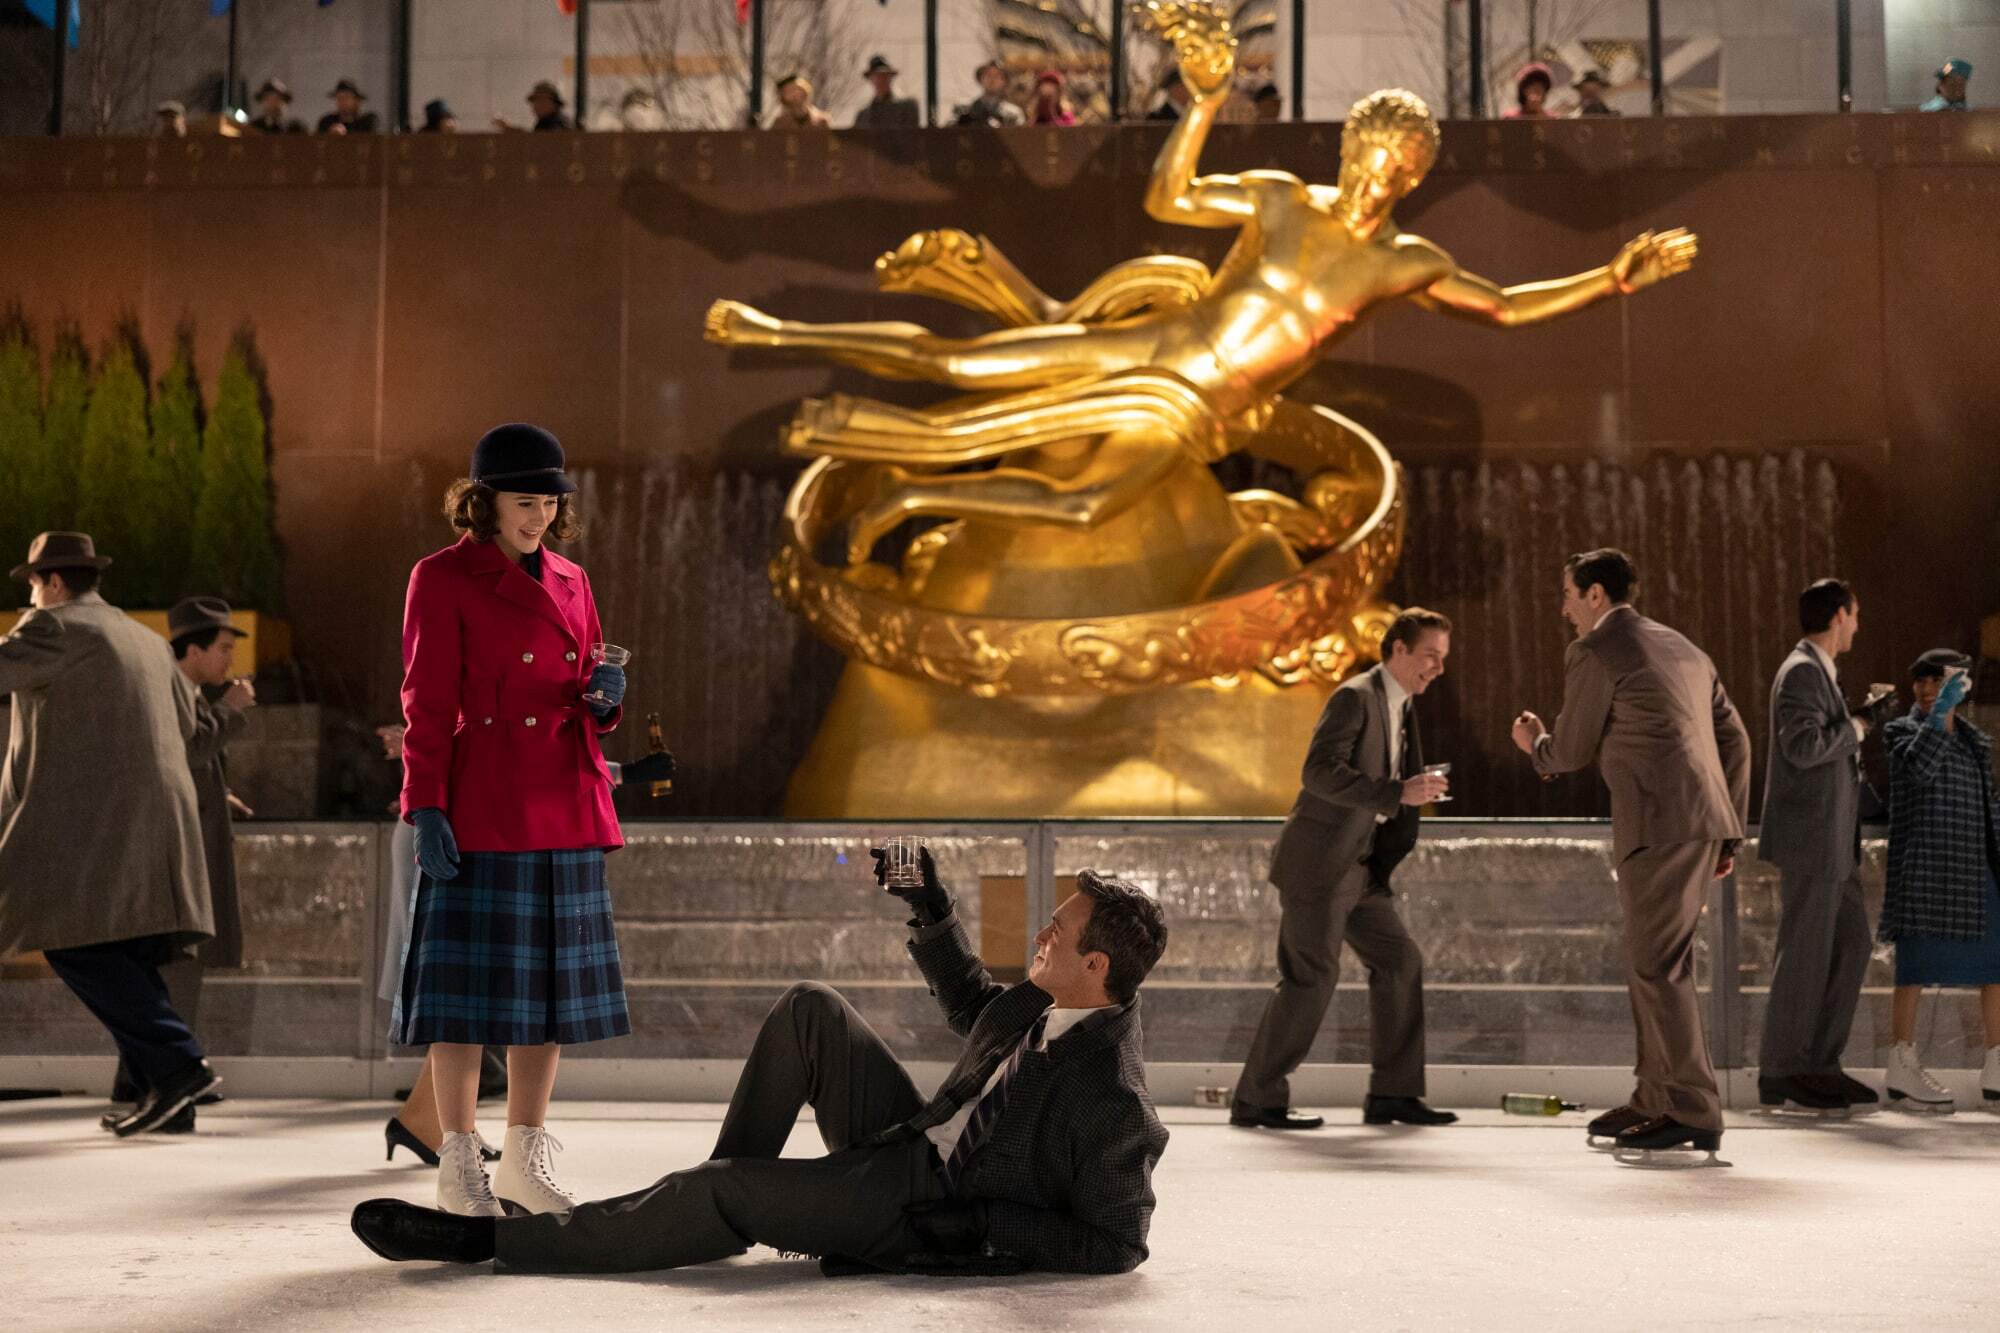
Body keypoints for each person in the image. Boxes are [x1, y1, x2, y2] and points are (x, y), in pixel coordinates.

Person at [350, 849, 1171, 1277]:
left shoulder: (1114, 1098)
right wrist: (932, 908)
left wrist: (987, 1227)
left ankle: (487, 1244)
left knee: (724, 1192)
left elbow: (1118, 1240)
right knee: (811, 1006)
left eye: (1059, 931)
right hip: (915, 1138)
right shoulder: (1048, 997)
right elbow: (973, 1010)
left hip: (934, 1203)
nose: (1042, 934)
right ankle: (705, 1210)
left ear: (1097, 969)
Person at [391, 423, 632, 1216]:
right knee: (464, 998)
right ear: (483, 501)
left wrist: (604, 703)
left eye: (550, 503)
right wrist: (424, 803)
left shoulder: (572, 578)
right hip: (486, 803)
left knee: (550, 997)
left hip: (564, 796)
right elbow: (425, 703)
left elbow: (587, 681)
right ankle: (458, 1163)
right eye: (525, 502)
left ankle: (525, 1158)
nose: (540, 517)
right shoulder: (441, 576)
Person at [1511, 549, 1750, 1159]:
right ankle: (1653, 1099)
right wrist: (1726, 830)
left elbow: (1569, 750)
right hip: (1696, 824)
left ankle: (1692, 1109)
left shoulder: (1598, 648)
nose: (1563, 608)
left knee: (1657, 967)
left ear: (1595, 595)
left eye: (1568, 593)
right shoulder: (1684, 648)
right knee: (1656, 962)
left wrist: (1534, 743)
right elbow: (1735, 739)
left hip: (1658, 824)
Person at [0, 533, 219, 1137]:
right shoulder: (147, 640)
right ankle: (168, 1094)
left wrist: (28, 620)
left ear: (56, 583)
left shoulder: (53, 628)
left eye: (33, 585)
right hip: (161, 822)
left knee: (73, 940)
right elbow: (195, 734)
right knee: (126, 949)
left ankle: (178, 1063)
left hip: (96, 822)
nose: (31, 595)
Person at [1232, 608, 1457, 1131]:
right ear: (1397, 650)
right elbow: (1317, 773)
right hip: (1319, 867)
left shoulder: (1401, 706)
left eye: (1443, 658)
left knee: (1400, 963)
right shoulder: (1355, 697)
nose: (1438, 668)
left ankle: (1394, 1095)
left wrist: (1407, 790)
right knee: (1310, 977)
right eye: (1430, 656)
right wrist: (1396, 792)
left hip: (1360, 869)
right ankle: (1256, 1099)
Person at [105, 597, 256, 1117]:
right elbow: (184, 750)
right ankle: (162, 1079)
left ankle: (151, 1082)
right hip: (175, 858)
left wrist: (218, 793)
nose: (229, 660)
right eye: (222, 648)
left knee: (177, 969)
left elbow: (182, 765)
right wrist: (229, 712)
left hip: (186, 848)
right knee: (176, 967)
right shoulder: (171, 692)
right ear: (192, 649)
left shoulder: (179, 690)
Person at [1756, 579, 1883, 1113]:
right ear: (1838, 616)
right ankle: (1782, 1070)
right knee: (1804, 956)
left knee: (1852, 947)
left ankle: (1819, 1065)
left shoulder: (1817, 672)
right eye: (1854, 614)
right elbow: (1803, 746)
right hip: (1812, 841)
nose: (1857, 624)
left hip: (1834, 842)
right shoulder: (1803, 671)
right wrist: (1856, 726)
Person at [1879, 650, 2000, 1111]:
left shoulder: (1976, 742)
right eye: (1923, 683)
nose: (1928, 690)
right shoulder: (1902, 732)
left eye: (1939, 681)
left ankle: (1996, 1064)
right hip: (1928, 866)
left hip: (1974, 868)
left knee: (1996, 965)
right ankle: (1902, 1063)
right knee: (1914, 966)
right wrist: (1942, 713)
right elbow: (1921, 770)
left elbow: (1988, 807)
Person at [854, 54, 920, 129]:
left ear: (891, 78)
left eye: (885, 76)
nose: (881, 80)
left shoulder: (907, 106)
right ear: (871, 79)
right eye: (877, 77)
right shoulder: (863, 115)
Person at [955, 59, 1024, 127]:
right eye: (988, 75)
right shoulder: (964, 110)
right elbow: (949, 132)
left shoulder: (1013, 114)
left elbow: (1020, 135)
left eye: (997, 76)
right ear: (981, 79)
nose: (992, 79)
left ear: (1004, 81)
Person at [498, 81, 574, 133]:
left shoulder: (559, 123)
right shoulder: (544, 121)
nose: (536, 106)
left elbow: (544, 141)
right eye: (535, 102)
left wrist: (512, 130)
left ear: (554, 104)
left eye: (541, 101)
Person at [767, 73, 832, 129]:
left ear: (805, 91)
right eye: (789, 91)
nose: (794, 94)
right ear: (783, 96)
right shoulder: (779, 123)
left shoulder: (822, 120)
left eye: (797, 89)